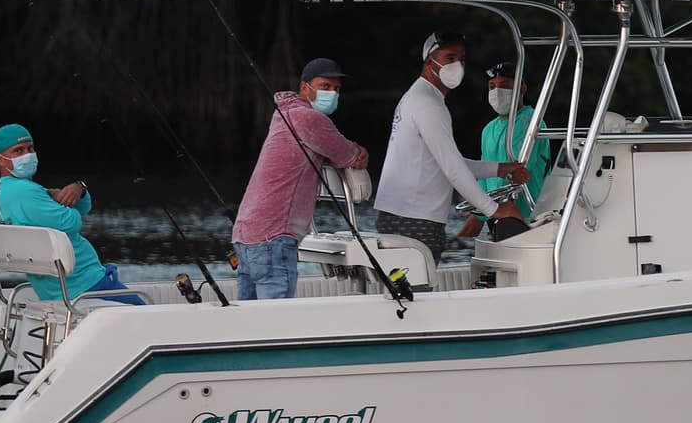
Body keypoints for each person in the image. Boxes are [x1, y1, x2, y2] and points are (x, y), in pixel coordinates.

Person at [373, 31, 528, 263]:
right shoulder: (428, 105)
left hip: (401, 215)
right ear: (429, 62)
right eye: (450, 57)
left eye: (461, 59)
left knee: (406, 283)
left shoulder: (417, 98)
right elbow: (452, 168)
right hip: (415, 220)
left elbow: (444, 161)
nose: (457, 65)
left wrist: (499, 169)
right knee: (414, 285)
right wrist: (494, 210)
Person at [231, 58, 370, 299]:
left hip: (246, 234)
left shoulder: (283, 114)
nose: (332, 93)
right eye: (325, 86)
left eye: (337, 89)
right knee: (278, 317)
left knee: (250, 316)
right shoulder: (310, 119)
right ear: (305, 87)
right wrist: (361, 151)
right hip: (274, 236)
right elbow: (350, 156)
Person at [0, 123, 144, 305]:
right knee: (147, 315)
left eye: (30, 148)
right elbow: (72, 223)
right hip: (85, 285)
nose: (27, 154)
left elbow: (84, 208)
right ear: (0, 159)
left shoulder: (16, 190)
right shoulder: (22, 192)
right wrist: (64, 201)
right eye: (18, 150)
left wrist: (80, 189)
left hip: (72, 285)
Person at [459, 60, 553, 238]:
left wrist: (481, 213)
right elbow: (483, 176)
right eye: (492, 86)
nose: (497, 91)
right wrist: (479, 210)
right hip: (496, 215)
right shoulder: (488, 129)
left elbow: (516, 173)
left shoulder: (530, 122)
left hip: (529, 218)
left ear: (522, 88)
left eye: (504, 86)